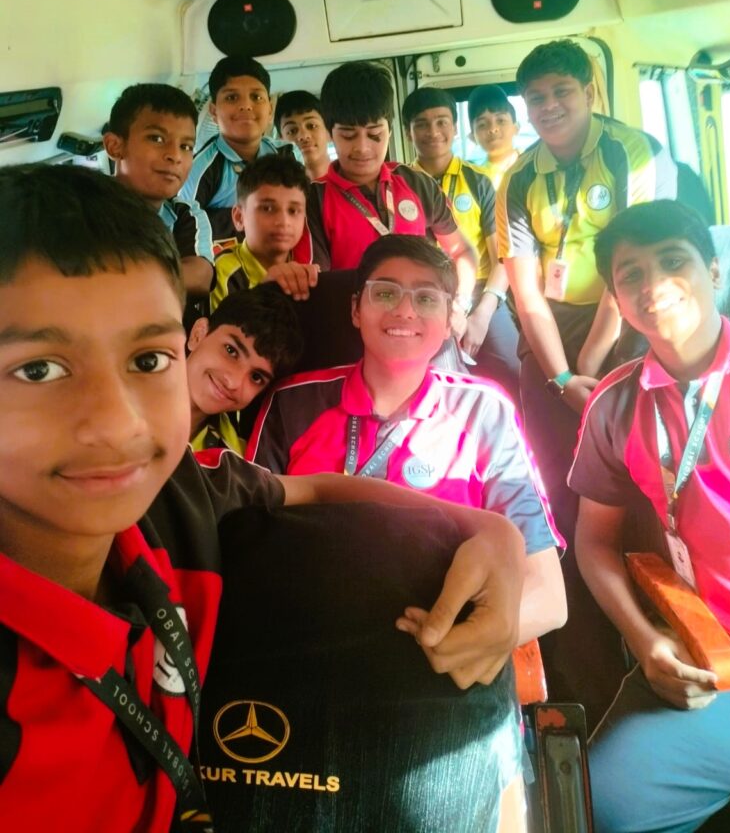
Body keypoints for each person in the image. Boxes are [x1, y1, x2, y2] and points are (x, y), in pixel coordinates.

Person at [0, 163, 525, 832]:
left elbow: (313, 488)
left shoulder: (180, 499)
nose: (117, 423)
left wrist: (488, 530)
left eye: (148, 361)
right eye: (39, 370)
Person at [249, 234, 566, 649]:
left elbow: (547, 593)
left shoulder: (485, 411)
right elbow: (251, 545)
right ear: (356, 310)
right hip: (310, 637)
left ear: (450, 318)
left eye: (426, 298)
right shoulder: (292, 403)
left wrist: (454, 649)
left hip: (437, 647)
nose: (404, 310)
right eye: (385, 293)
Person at [571, 200, 730, 833]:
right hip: (719, 658)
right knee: (599, 810)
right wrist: (643, 636)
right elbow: (594, 543)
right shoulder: (614, 404)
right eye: (631, 274)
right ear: (616, 298)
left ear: (714, 270)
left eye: (673, 261)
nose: (653, 284)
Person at [497, 38, 677, 719]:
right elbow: (525, 293)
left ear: (590, 91)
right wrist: (561, 376)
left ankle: (658, 626)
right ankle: (581, 661)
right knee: (555, 496)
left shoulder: (634, 153)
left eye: (561, 92)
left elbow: (627, 272)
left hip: (625, 320)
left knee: (638, 486)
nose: (548, 107)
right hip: (551, 339)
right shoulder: (520, 177)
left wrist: (593, 375)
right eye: (536, 98)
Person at [300, 61, 477, 337]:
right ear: (330, 133)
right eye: (348, 135)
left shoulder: (416, 183)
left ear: (391, 130)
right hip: (356, 334)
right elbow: (317, 284)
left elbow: (462, 251)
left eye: (375, 134)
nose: (363, 148)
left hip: (424, 327)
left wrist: (459, 305)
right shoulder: (313, 199)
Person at [403, 86, 520, 399]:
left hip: (479, 293)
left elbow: (502, 258)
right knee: (430, 383)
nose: (433, 132)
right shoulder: (400, 184)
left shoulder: (479, 180)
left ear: (455, 128)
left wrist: (481, 314)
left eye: (442, 122)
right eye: (421, 124)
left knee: (512, 369)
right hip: (424, 296)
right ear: (407, 132)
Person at [103, 82, 214, 299]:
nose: (175, 156)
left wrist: (118, 281)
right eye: (157, 139)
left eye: (186, 146)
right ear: (115, 146)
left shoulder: (185, 214)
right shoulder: (83, 206)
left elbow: (200, 276)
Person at [180, 55, 297, 243]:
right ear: (214, 112)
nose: (246, 106)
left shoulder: (288, 155)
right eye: (232, 97)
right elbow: (184, 232)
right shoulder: (200, 169)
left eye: (256, 97)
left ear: (270, 109)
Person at [187, 285, 303, 454]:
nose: (233, 382)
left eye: (256, 377)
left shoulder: (233, 460)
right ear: (198, 334)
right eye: (231, 351)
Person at [210, 155, 316, 310]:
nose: (283, 221)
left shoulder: (306, 266)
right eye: (267, 208)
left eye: (293, 211)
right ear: (239, 217)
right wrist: (266, 289)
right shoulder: (222, 274)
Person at [467, 84, 520, 189]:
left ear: (516, 128)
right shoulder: (474, 179)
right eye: (482, 125)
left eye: (500, 121)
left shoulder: (534, 163)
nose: (492, 128)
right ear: (472, 137)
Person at [275, 88, 332, 180]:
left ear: (328, 130)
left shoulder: (353, 180)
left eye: (312, 126)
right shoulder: (275, 187)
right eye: (292, 131)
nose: (303, 136)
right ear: (281, 141)